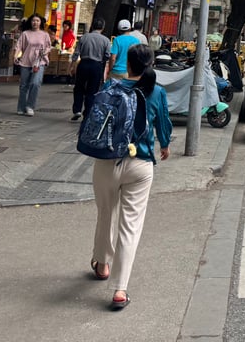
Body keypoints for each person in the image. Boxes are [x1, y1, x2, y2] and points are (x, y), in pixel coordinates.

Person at [89, 44, 172, 310]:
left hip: (105, 162)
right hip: (140, 164)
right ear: (150, 64)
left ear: (127, 62)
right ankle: (120, 290)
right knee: (130, 226)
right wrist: (165, 145)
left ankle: (102, 264)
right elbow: (164, 124)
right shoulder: (156, 91)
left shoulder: (109, 87)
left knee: (105, 214)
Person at [69, 17, 111, 121]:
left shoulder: (83, 37)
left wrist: (72, 66)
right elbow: (107, 55)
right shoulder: (105, 40)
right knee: (92, 90)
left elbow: (76, 53)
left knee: (79, 87)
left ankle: (77, 110)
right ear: (103, 27)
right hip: (96, 65)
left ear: (92, 26)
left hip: (83, 64)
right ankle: (87, 112)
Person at [15, 14, 51, 116]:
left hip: (39, 62)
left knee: (35, 83)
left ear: (41, 23)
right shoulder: (25, 34)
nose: (35, 23)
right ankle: (21, 107)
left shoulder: (45, 35)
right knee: (23, 86)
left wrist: (45, 52)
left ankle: (30, 106)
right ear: (30, 22)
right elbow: (19, 46)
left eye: (37, 21)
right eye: (33, 21)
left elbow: (48, 47)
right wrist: (15, 56)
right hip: (26, 61)